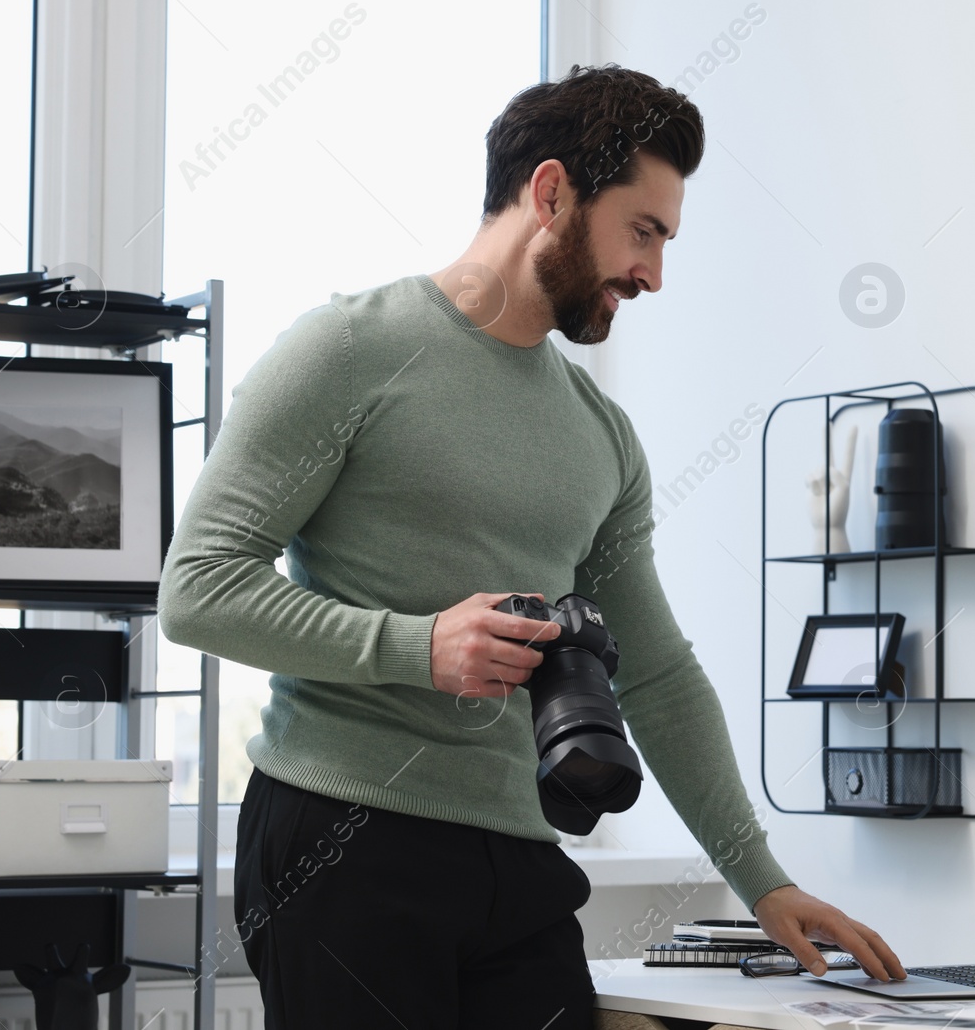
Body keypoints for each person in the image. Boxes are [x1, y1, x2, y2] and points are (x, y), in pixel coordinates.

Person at [157, 63, 903, 1030]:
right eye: (643, 231)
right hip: (341, 839)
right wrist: (417, 646)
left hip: (519, 853)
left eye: (666, 241)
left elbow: (662, 676)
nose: (654, 274)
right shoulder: (348, 350)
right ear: (551, 192)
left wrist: (760, 880)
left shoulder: (601, 433)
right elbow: (198, 586)